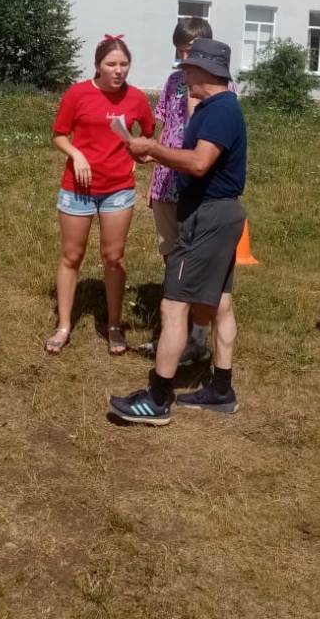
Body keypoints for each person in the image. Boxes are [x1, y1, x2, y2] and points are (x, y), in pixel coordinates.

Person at [108, 38, 247, 425]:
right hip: (217, 214)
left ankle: (157, 398)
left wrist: (153, 149)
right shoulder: (214, 107)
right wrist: (157, 154)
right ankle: (221, 390)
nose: (184, 74)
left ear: (208, 72)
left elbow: (200, 163)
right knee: (220, 303)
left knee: (173, 306)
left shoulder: (220, 110)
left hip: (207, 218)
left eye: (189, 68)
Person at [46, 35, 155, 356]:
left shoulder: (136, 98)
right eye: (111, 64)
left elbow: (148, 134)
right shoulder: (77, 93)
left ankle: (114, 324)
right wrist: (76, 154)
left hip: (118, 189)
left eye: (124, 64)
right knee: (71, 256)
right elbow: (59, 135)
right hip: (77, 189)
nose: (118, 70)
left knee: (114, 257)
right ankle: (64, 325)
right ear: (97, 66)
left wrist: (138, 155)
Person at [146, 15, 217, 365]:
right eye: (179, 51)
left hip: (197, 186)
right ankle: (174, 330)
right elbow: (163, 126)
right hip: (165, 182)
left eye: (189, 51)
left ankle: (198, 336)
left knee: (197, 260)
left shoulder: (219, 88)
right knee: (170, 254)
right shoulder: (174, 80)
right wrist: (152, 174)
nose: (183, 58)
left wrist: (194, 98)